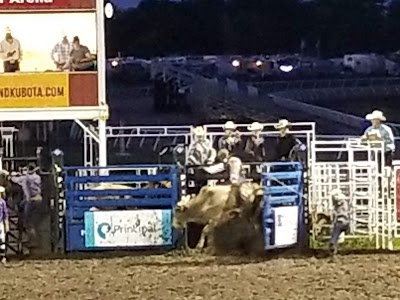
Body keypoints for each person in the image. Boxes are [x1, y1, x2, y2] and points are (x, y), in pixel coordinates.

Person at [329, 188, 350, 257]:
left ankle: (333, 244)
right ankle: (334, 246)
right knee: (336, 233)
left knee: (335, 233)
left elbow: (338, 202)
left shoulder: (340, 204)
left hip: (340, 222)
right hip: (345, 222)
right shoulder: (345, 203)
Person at [0, 186, 9, 265]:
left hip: (0, 223)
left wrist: (6, 224)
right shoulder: (2, 202)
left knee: (2, 239)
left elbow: (5, 214)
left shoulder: (2, 202)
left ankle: (3, 257)